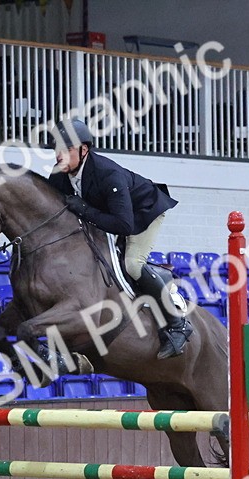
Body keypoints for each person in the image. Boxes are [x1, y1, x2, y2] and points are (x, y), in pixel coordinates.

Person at [46, 118, 190, 359]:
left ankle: (177, 325)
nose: (59, 156)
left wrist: (83, 209)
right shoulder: (58, 176)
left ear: (84, 150)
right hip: (111, 215)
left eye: (66, 150)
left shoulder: (107, 173)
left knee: (132, 264)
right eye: (56, 150)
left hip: (142, 212)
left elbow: (124, 224)